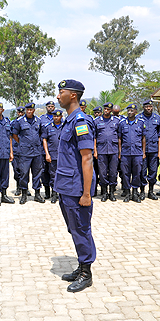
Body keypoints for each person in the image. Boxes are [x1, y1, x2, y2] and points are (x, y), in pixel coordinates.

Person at [55, 79, 96, 293]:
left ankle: (86, 273)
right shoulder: (68, 121)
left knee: (81, 229)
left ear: (72, 95)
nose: (57, 96)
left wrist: (87, 193)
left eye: (61, 92)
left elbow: (87, 159)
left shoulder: (80, 121)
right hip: (66, 186)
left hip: (77, 188)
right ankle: (81, 266)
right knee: (74, 229)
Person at [11, 102, 45, 204]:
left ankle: (37, 194)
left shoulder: (38, 121)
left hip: (37, 152)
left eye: (31, 110)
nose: (29, 111)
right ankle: (24, 194)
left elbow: (40, 133)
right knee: (24, 173)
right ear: (25, 110)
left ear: (34, 110)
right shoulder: (20, 121)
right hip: (25, 153)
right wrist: (22, 143)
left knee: (37, 173)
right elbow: (15, 135)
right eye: (27, 110)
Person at [118, 103, 146, 202]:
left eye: (132, 110)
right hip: (125, 153)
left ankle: (135, 193)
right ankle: (127, 193)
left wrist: (143, 152)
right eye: (128, 110)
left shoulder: (140, 123)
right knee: (125, 173)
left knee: (137, 173)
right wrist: (120, 153)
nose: (130, 112)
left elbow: (143, 138)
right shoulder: (122, 123)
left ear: (136, 112)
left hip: (137, 153)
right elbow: (120, 139)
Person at [93, 102, 120, 202]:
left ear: (111, 110)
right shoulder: (97, 121)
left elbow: (120, 137)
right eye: (105, 109)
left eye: (108, 109)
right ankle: (104, 193)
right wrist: (95, 151)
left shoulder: (117, 121)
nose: (106, 110)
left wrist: (119, 152)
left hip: (113, 150)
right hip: (101, 151)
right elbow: (94, 137)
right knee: (102, 173)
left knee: (113, 172)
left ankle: (111, 193)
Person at [137, 100, 160, 200]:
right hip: (142, 151)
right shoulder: (138, 118)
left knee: (153, 171)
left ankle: (150, 191)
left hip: (154, 150)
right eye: (147, 107)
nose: (149, 108)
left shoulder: (157, 118)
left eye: (150, 106)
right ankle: (142, 191)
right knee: (142, 171)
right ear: (143, 107)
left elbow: (159, 136)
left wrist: (159, 151)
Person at [41, 109, 63, 203]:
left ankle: (61, 194)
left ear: (61, 116)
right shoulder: (48, 127)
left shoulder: (65, 126)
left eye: (58, 116)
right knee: (53, 175)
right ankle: (54, 194)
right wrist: (47, 154)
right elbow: (44, 140)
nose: (56, 118)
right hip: (52, 155)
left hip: (63, 156)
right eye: (54, 116)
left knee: (63, 175)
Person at [40, 101, 56, 199]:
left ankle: (55, 192)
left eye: (52, 106)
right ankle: (47, 192)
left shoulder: (60, 121)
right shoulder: (41, 119)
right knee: (44, 172)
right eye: (49, 106)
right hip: (43, 150)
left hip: (55, 151)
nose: (50, 108)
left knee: (54, 172)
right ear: (46, 107)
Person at [11, 106, 25, 195]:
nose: (20, 114)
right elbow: (11, 137)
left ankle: (25, 188)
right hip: (16, 150)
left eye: (22, 112)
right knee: (16, 171)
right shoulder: (13, 123)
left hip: (25, 151)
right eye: (19, 112)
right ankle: (18, 187)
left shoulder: (27, 122)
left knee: (25, 171)